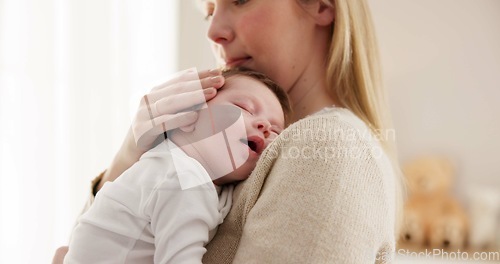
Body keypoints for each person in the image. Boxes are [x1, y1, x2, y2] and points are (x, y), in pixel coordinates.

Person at [53, 0, 405, 263]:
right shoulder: (221, 159)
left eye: (239, 0)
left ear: (321, 6)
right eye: (208, 10)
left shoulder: (327, 149)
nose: (212, 30)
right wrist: (130, 155)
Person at [63, 68, 291, 264]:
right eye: (245, 108)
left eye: (275, 132)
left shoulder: (206, 181)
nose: (264, 126)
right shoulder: (181, 178)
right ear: (186, 117)